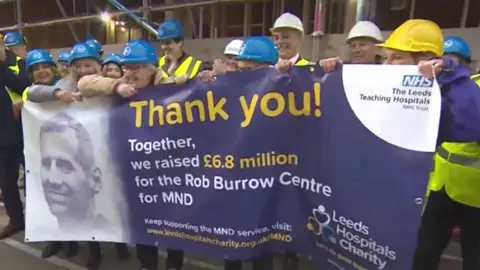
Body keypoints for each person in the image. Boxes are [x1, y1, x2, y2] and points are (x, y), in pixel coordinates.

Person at [365, 19, 480, 270]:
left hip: (474, 196)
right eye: (386, 57)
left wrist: (449, 75)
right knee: (423, 254)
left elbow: (470, 123)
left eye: (395, 57)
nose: (387, 65)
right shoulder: (394, 89)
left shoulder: (455, 91)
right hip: (436, 189)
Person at [77, 39, 186, 270]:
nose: (129, 72)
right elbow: (85, 83)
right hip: (136, 173)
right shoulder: (117, 87)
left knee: (173, 221)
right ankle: (148, 264)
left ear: (151, 68)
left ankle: (174, 264)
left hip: (167, 171)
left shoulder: (167, 86)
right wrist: (116, 87)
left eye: (136, 67)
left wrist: (192, 82)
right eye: (127, 67)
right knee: (143, 223)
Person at [412, 34, 480, 270]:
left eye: (454, 60)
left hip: (475, 195)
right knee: (424, 253)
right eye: (443, 58)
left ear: (467, 65)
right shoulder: (436, 85)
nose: (445, 64)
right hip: (441, 187)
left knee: (474, 258)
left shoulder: (472, 88)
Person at [222, 35, 278, 270]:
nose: (244, 74)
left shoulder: (286, 91)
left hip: (266, 185)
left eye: (251, 69)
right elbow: (209, 81)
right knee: (231, 247)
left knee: (262, 248)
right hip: (234, 183)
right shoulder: (228, 87)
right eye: (241, 68)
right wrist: (209, 76)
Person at [0, 32, 30, 240]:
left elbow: (24, 85)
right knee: (7, 182)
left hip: (25, 132)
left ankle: (40, 220)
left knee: (32, 180)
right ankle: (16, 220)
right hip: (2, 137)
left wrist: (1, 65)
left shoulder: (20, 62)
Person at [319, 20, 383, 71]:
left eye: (362, 45)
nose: (357, 50)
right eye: (353, 46)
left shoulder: (387, 72)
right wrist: (329, 65)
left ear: (378, 48)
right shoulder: (343, 71)